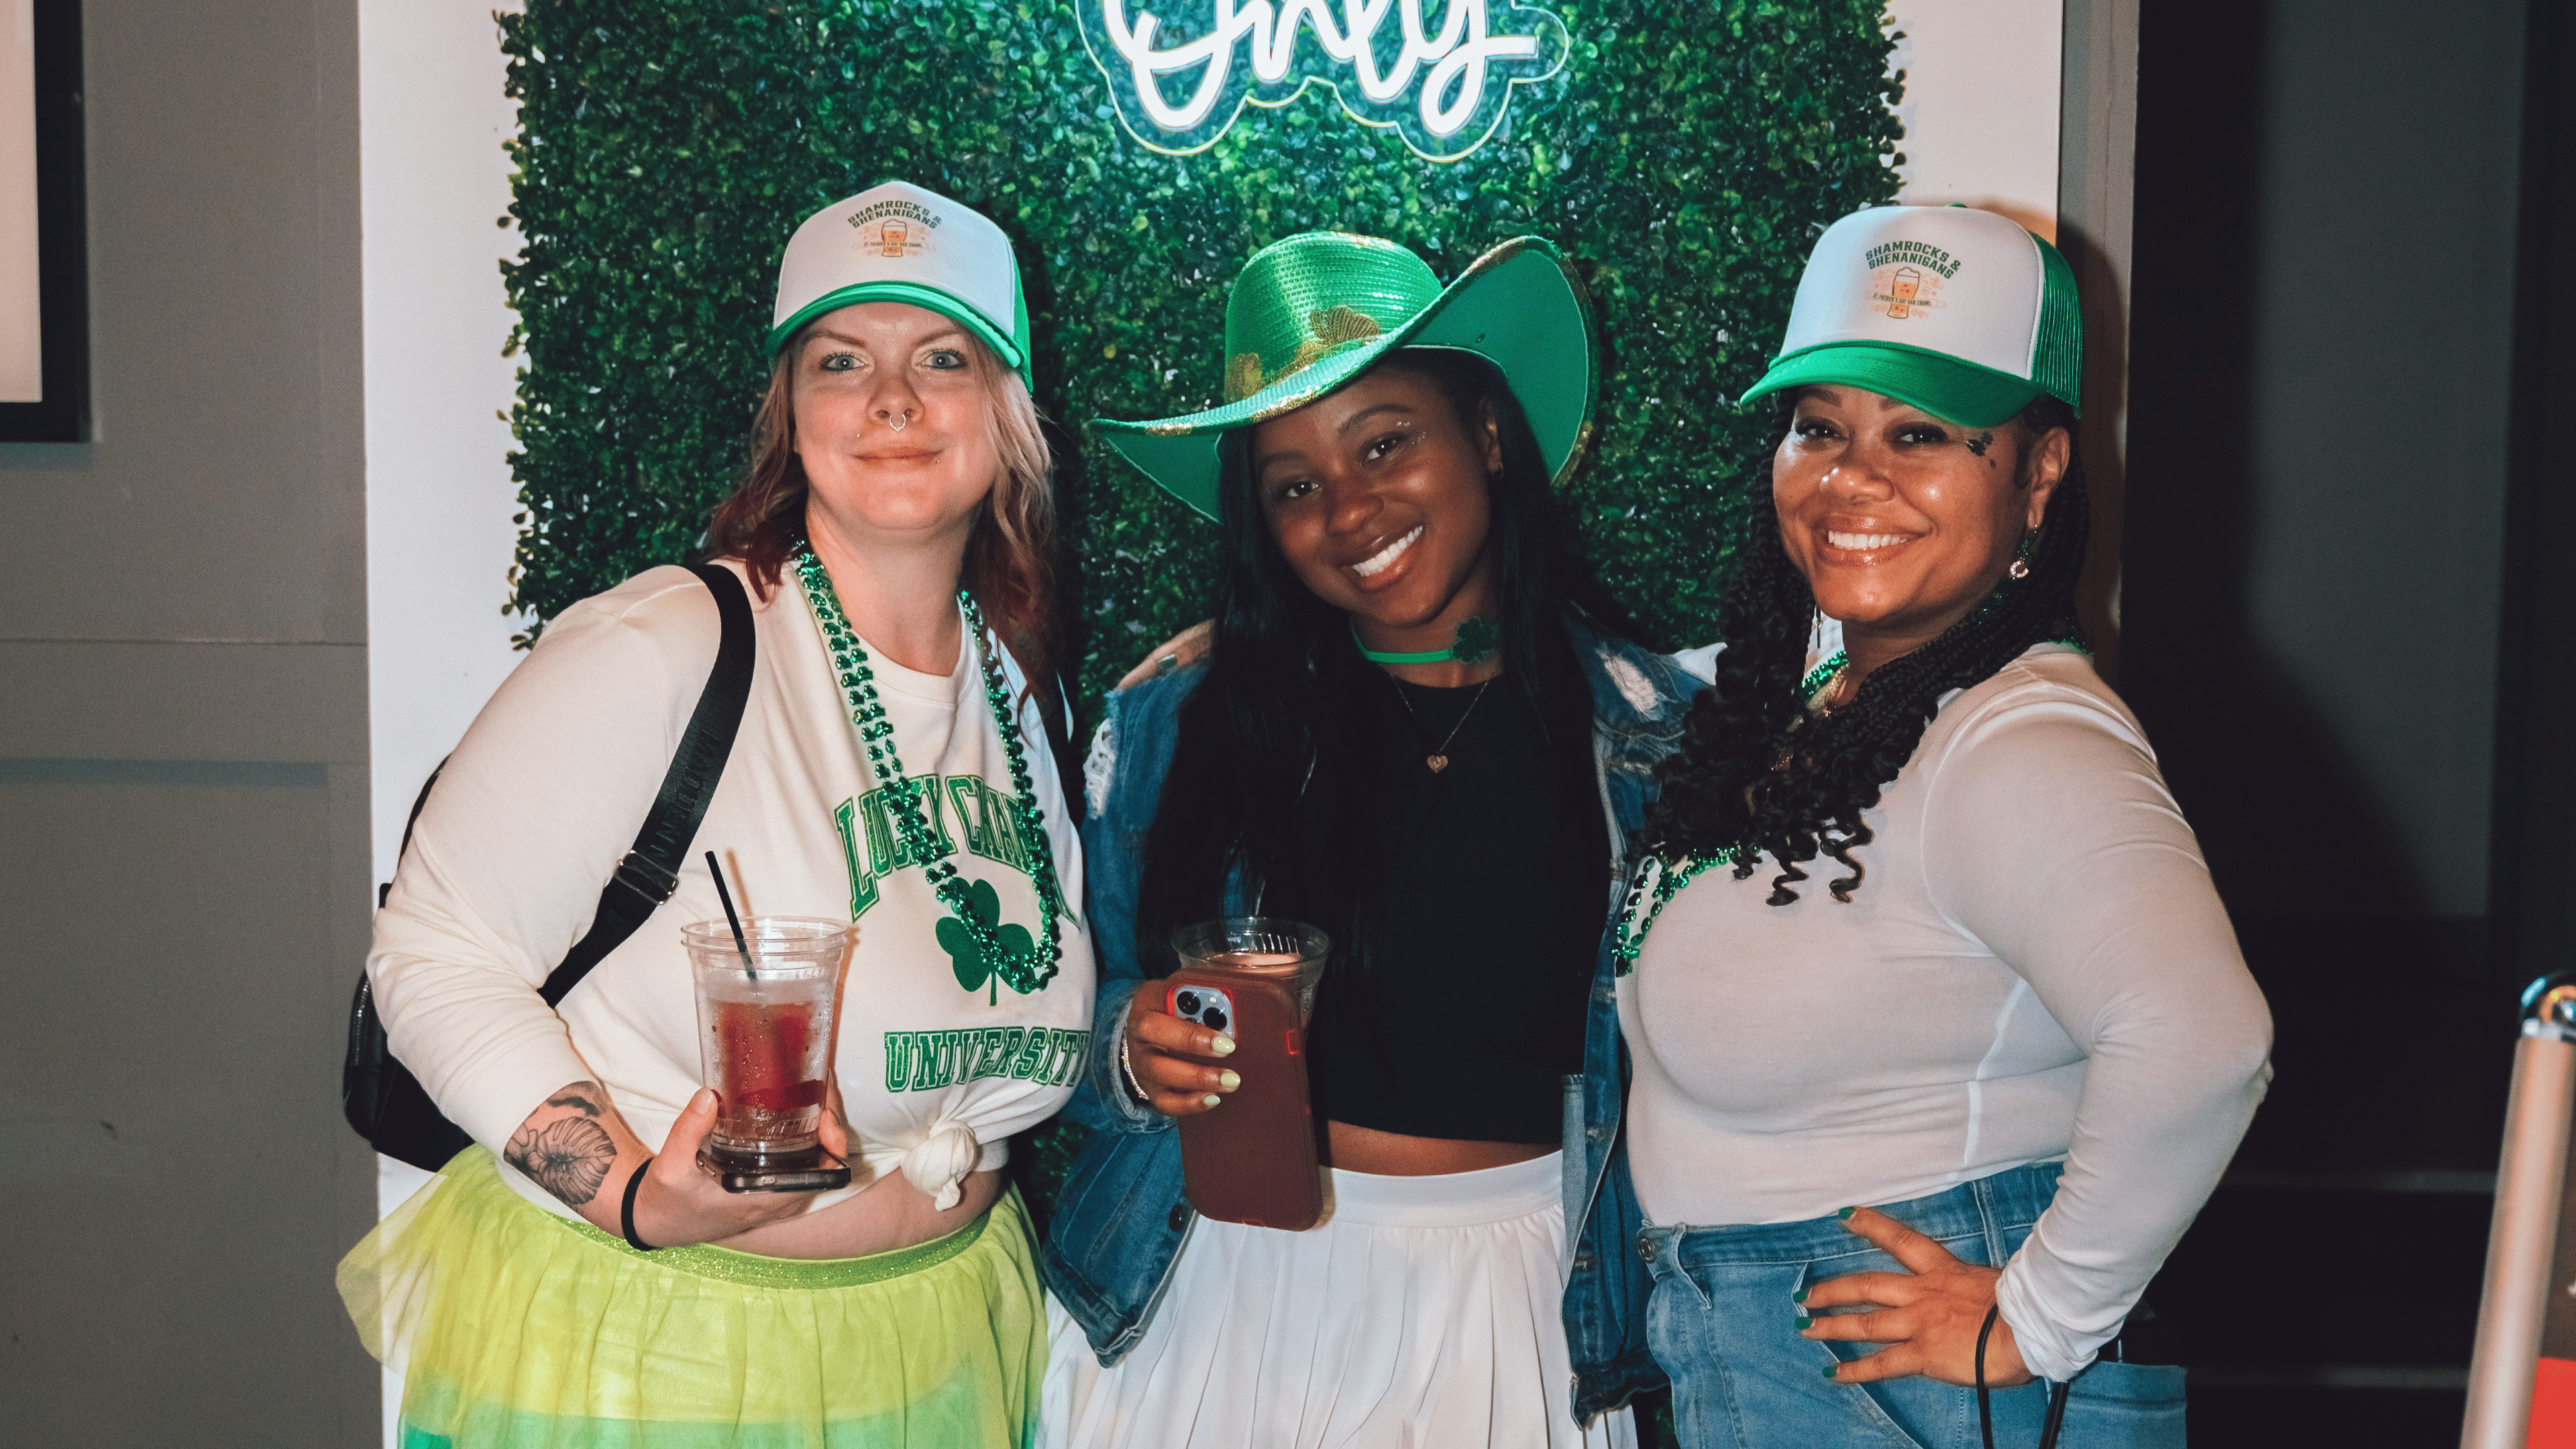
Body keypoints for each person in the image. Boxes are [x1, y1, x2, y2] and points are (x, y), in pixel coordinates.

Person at [337, 180, 1093, 1448]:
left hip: (949, 1347)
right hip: (663, 1360)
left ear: (1010, 416)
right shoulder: (668, 643)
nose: (894, 400)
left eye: (945, 358)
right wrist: (638, 1197)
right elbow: (435, 954)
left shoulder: (1017, 687)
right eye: (841, 360)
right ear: (789, 417)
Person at [1614, 204, 2273, 1448]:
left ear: (2039, 470)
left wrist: (2041, 1317)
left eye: (1920, 435)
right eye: (1821, 429)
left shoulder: (2022, 739)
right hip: (1798, 1358)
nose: (1852, 481)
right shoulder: (1837, 700)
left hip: (1897, 1384)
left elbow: (2203, 1042)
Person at [1038, 231, 1695, 1448]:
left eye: (1385, 442)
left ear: (1488, 438)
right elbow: (1045, 1014)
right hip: (1207, 1299)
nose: (1347, 509)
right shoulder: (1178, 727)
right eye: (1292, 485)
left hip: (1513, 1317)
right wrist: (1128, 1046)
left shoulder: (1655, 741)